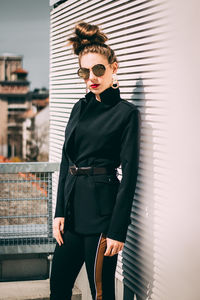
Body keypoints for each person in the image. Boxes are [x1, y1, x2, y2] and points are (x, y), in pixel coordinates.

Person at [50, 22, 141, 300]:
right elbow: (67, 162)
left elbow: (130, 174)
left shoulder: (125, 113)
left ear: (114, 67)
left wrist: (117, 230)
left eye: (99, 69)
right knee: (59, 288)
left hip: (102, 218)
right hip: (72, 214)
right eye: (85, 71)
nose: (92, 77)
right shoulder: (79, 107)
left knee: (101, 295)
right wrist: (59, 212)